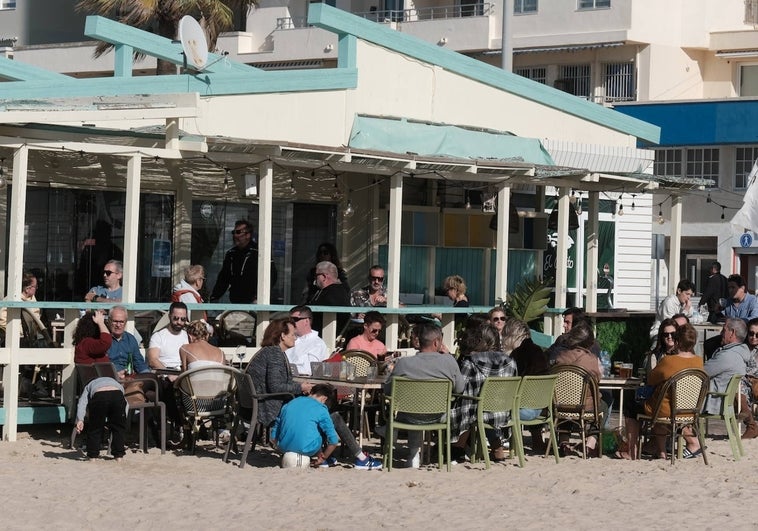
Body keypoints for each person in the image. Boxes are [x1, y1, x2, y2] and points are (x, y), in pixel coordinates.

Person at [382, 322, 464, 468]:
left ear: (419, 341)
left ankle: (413, 455)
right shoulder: (449, 361)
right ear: (436, 342)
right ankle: (423, 454)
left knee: (414, 409)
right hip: (439, 415)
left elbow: (388, 390)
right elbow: (459, 389)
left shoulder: (404, 363)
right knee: (420, 408)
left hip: (408, 415)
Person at [621, 323, 703, 460]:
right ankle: (659, 450)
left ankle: (634, 450)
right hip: (690, 410)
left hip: (665, 410)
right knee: (661, 403)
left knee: (631, 403)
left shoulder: (668, 361)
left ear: (676, 341)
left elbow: (651, 379)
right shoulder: (699, 362)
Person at [271, 383, 382, 470]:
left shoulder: (291, 403)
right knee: (335, 417)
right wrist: (322, 457)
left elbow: (276, 427)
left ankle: (326, 458)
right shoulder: (321, 408)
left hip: (284, 447)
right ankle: (361, 458)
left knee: (309, 422)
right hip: (309, 448)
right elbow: (333, 441)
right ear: (324, 399)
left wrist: (277, 444)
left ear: (311, 392)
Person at [449, 323, 516, 463]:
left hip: (476, 412)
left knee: (468, 405)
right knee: (482, 406)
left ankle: (457, 449)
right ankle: (497, 448)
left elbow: (460, 388)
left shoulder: (470, 362)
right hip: (503, 411)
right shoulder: (511, 362)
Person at [553, 321, 607, 457]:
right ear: (590, 343)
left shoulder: (560, 356)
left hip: (560, 405)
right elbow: (597, 380)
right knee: (604, 405)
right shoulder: (591, 360)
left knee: (566, 408)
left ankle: (563, 442)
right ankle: (590, 444)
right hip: (584, 406)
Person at [247, 318, 312, 428]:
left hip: (255, 404)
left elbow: (279, 382)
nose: (295, 338)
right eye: (292, 335)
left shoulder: (269, 351)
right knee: (317, 407)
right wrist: (300, 388)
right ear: (283, 336)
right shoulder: (274, 354)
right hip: (267, 407)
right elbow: (275, 387)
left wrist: (300, 387)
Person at [505, 317, 550, 453]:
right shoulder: (538, 351)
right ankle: (537, 441)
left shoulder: (518, 355)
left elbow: (512, 385)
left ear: (513, 335)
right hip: (542, 407)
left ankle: (497, 445)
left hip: (525, 410)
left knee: (492, 410)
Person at [210, 219, 276, 304]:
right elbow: (224, 277)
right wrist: (215, 296)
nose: (235, 236)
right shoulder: (231, 254)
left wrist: (259, 296)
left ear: (248, 235)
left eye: (238, 232)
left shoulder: (259, 252)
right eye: (233, 232)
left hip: (254, 301)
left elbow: (272, 275)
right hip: (235, 300)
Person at [704, 318, 750, 415]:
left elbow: (702, 373)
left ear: (732, 333)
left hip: (715, 401)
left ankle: (684, 428)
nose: (721, 333)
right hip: (725, 401)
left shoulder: (728, 356)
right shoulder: (740, 353)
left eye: (724, 330)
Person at [75, 376, 127, 461]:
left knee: (95, 427)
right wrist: (123, 418)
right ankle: (119, 456)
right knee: (118, 429)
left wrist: (80, 419)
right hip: (117, 394)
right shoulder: (115, 382)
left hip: (99, 395)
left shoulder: (89, 385)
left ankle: (92, 456)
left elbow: (82, 403)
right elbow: (125, 403)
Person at [307, 261, 351, 333]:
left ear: (324, 277)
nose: (314, 279)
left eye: (316, 275)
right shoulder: (326, 291)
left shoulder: (334, 293)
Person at [285, 305, 329, 376]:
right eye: (289, 320)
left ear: (306, 321)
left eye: (294, 320)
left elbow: (308, 370)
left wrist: (283, 367)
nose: (291, 323)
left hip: (302, 383)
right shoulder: (287, 339)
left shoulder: (317, 344)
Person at [107, 306, 149, 376]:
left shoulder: (131, 339)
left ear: (126, 322)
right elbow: (101, 366)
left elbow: (139, 363)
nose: (118, 325)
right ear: (109, 320)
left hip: (129, 377)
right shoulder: (103, 339)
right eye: (115, 321)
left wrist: (147, 375)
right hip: (111, 377)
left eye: (121, 322)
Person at [147, 302, 189, 371]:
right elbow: (153, 360)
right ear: (169, 316)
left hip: (183, 373)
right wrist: (167, 374)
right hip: (164, 373)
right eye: (176, 318)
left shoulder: (188, 336)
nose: (179, 322)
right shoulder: (158, 336)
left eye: (183, 319)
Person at [739, 317, 758, 439]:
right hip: (745, 381)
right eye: (751, 333)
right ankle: (751, 426)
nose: (754, 337)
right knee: (738, 389)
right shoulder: (741, 348)